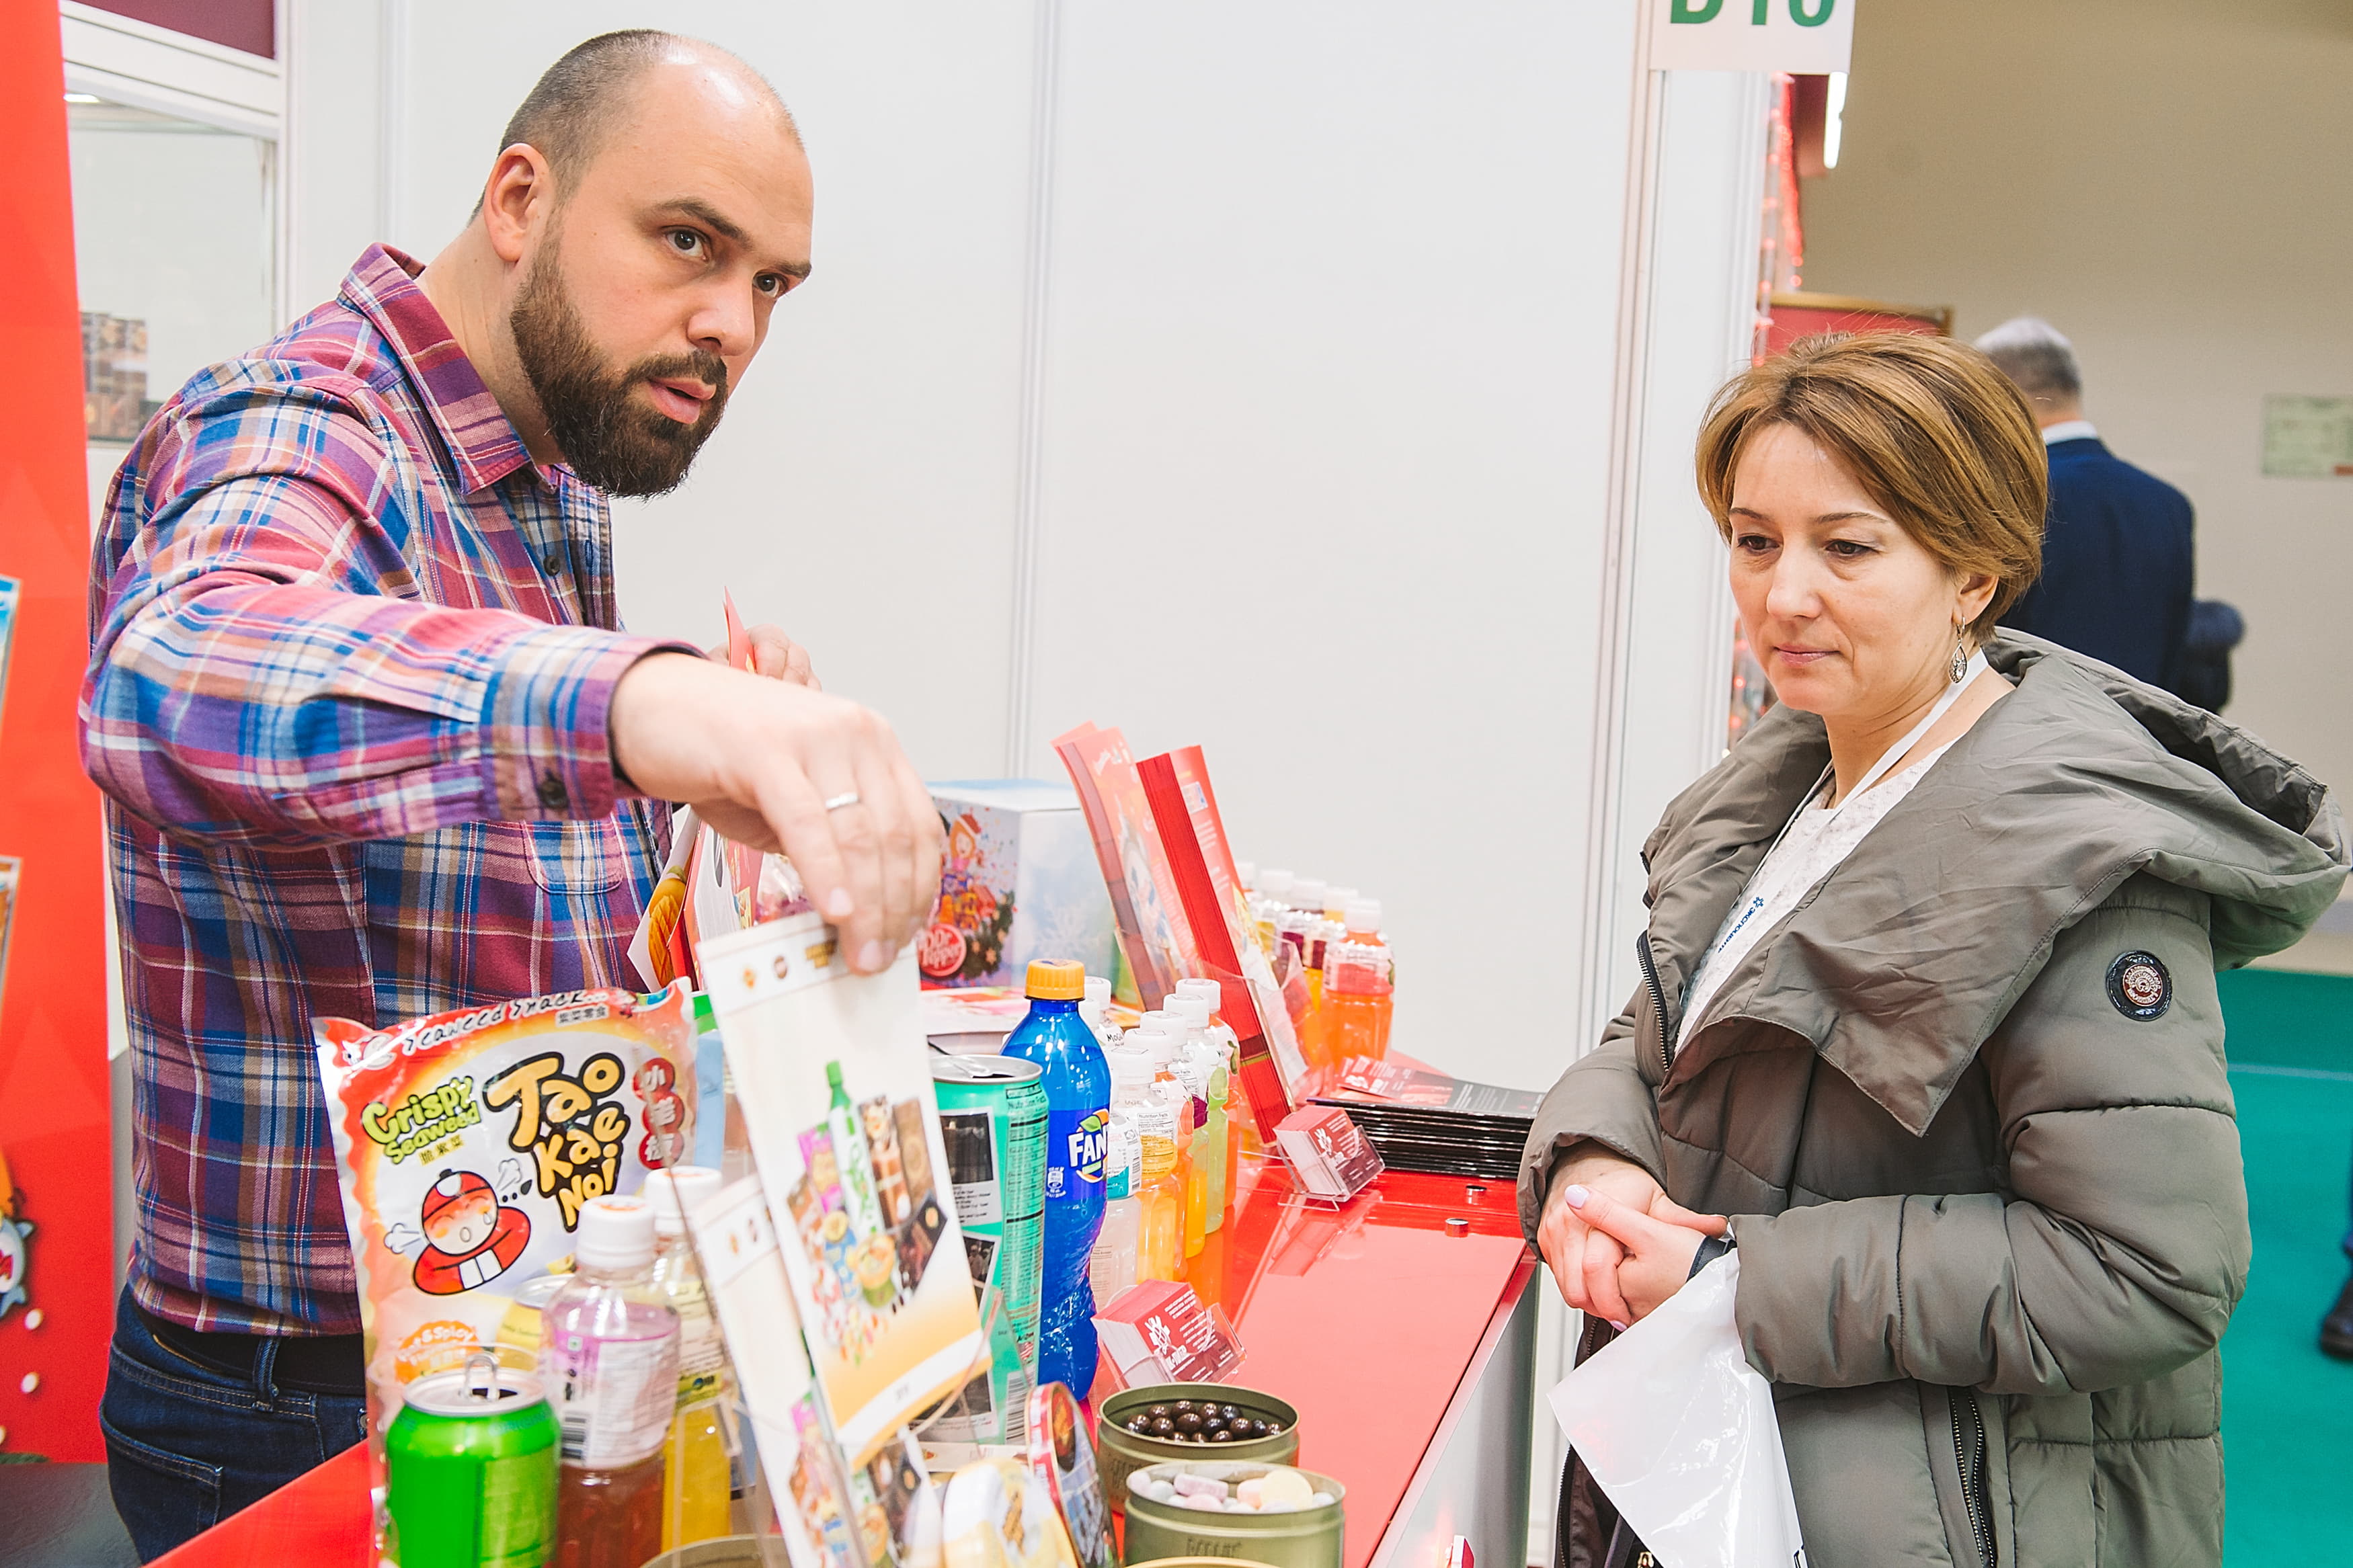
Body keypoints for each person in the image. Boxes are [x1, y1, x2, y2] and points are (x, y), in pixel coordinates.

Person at [81, 32, 942, 1559]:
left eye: (772, 285)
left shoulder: (543, 465)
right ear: (520, 200)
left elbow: (473, 856)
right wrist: (642, 699)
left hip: (516, 1332)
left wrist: (691, 805)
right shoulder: (303, 425)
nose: (732, 323)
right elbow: (178, 671)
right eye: (690, 242)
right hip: (305, 1399)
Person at [1519, 333, 2346, 1568]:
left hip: (1943, 1508)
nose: (1784, 594)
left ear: (1972, 574)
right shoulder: (1789, 788)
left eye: (1848, 547)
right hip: (1730, 1461)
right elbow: (1656, 1039)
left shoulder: (2078, 860)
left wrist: (1738, 1277)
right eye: (1755, 540)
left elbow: (2147, 1268)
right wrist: (1594, 1159)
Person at [1975, 316, 2196, 692]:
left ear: (1997, 399)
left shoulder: (2010, 493)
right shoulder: (2169, 503)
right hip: (2137, 724)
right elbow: (2174, 650)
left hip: (2025, 720)